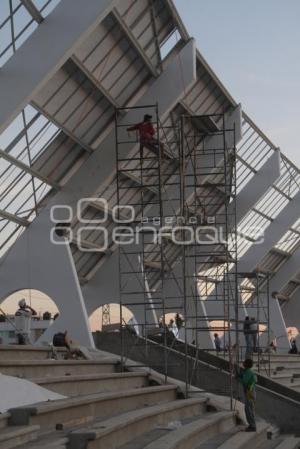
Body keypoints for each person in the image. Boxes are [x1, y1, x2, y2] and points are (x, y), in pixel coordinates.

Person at [237, 359, 257, 432]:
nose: (243, 363)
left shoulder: (248, 372)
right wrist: (239, 374)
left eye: (244, 362)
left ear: (247, 364)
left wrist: (237, 378)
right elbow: (243, 374)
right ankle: (252, 425)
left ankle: (252, 426)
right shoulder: (248, 371)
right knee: (249, 408)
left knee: (248, 409)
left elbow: (244, 381)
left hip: (250, 392)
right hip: (250, 392)